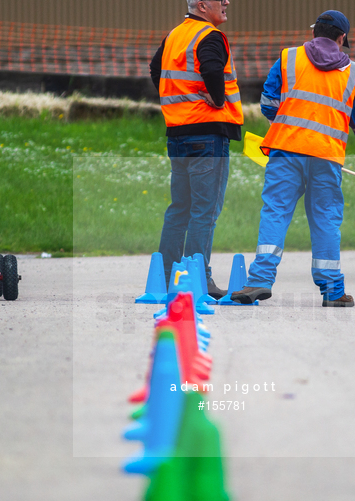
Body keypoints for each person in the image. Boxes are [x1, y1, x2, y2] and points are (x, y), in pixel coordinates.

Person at [231, 10, 355, 307]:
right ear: (342, 38)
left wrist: (288, 123)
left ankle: (258, 282)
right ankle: (333, 291)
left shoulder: (288, 57)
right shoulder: (352, 71)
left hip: (286, 151)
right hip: (326, 157)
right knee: (325, 220)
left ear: (314, 33)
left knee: (275, 213)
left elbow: (269, 103)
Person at [149, 0, 243, 299]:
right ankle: (196, 278)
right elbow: (213, 69)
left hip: (178, 133)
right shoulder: (209, 36)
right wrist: (216, 99)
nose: (227, 2)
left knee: (180, 208)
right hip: (207, 134)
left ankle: (166, 278)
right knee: (204, 210)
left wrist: (179, 99)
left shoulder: (175, 35)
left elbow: (155, 69)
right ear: (203, 5)